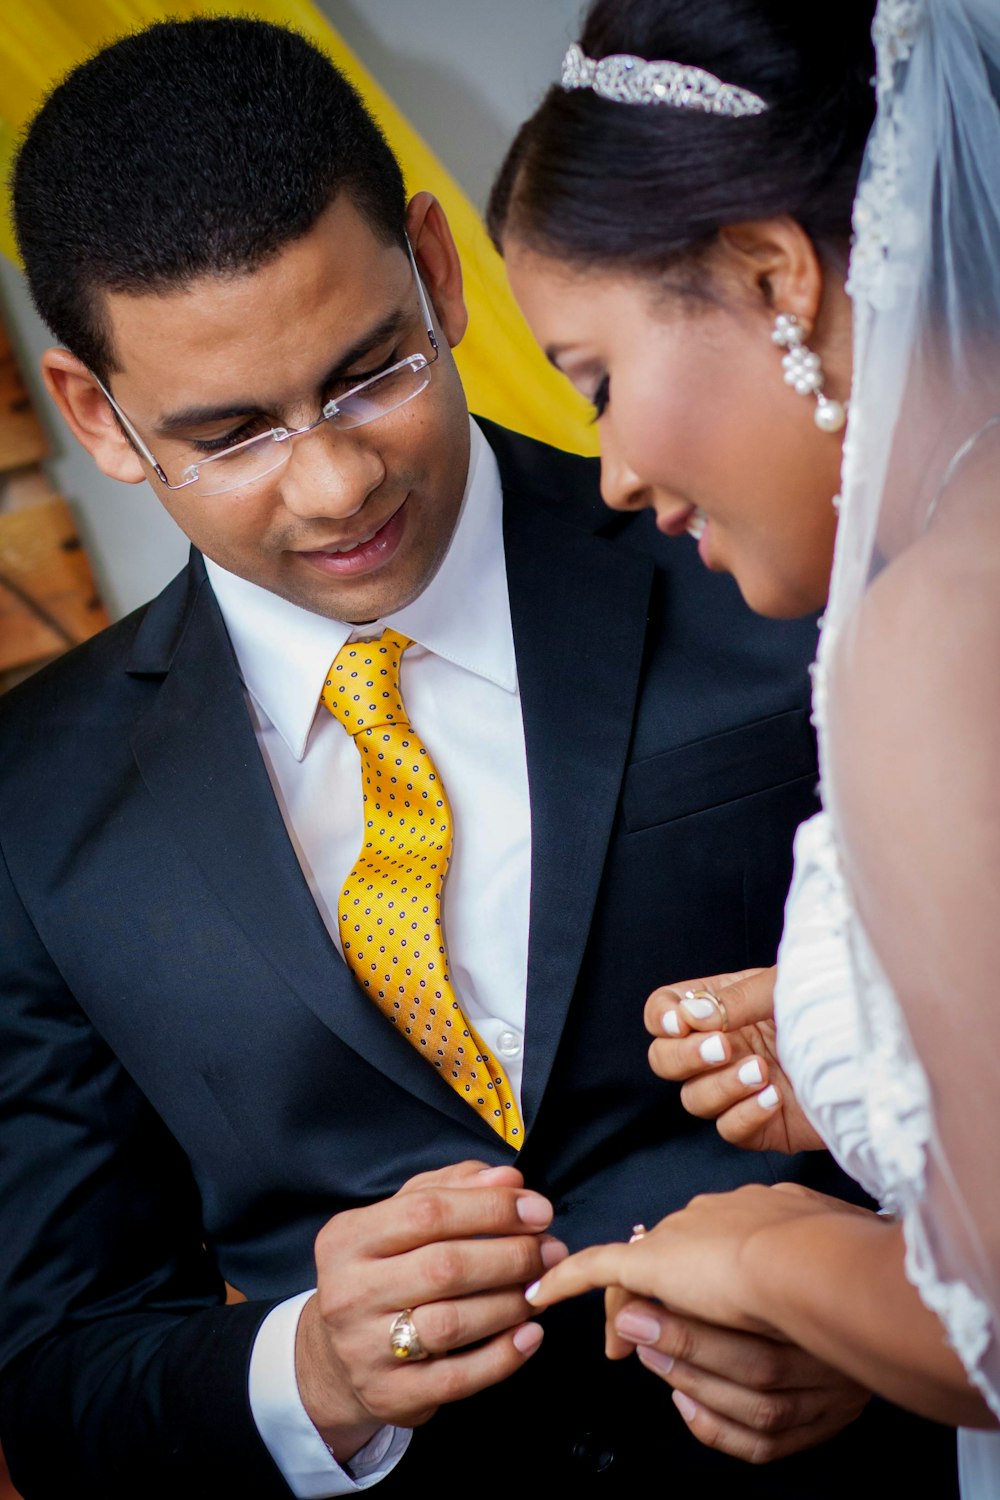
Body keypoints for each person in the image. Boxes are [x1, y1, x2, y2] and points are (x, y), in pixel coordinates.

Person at [0, 15, 960, 1500]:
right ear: (95, 417)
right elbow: (59, 1371)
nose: (333, 485)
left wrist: (873, 1315)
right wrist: (303, 1373)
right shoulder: (31, 799)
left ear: (439, 273)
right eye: (234, 434)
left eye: (369, 370)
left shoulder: (765, 554)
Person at [487, 0, 1000, 1490]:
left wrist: (766, 1253)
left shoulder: (930, 636)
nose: (617, 471)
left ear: (775, 273)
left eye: (594, 381)